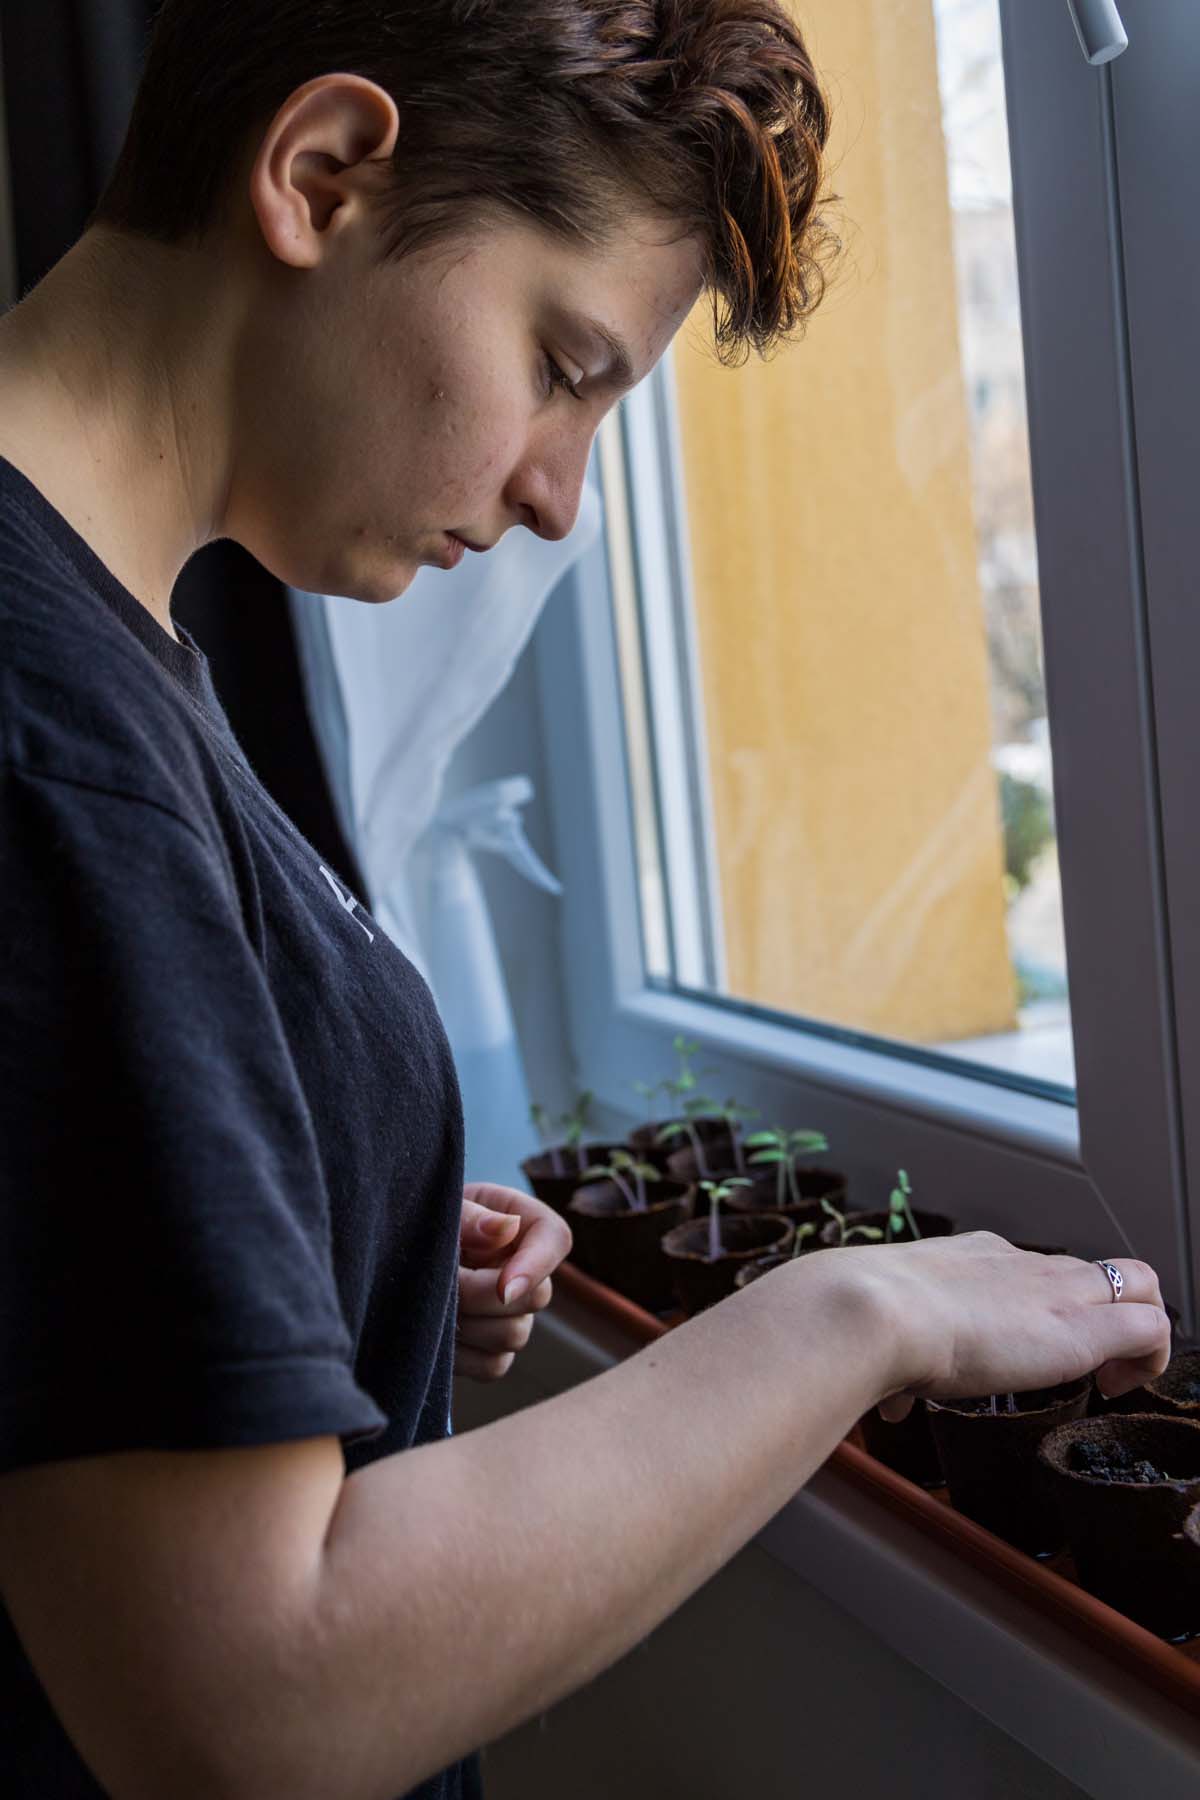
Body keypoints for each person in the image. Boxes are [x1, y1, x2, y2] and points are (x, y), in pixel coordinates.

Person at [0, 3, 1171, 1797]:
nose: (558, 499)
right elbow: (244, 1700)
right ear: (322, 176)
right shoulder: (49, 726)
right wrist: (857, 1318)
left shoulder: (108, 638)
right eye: (565, 363)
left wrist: (347, 1263)